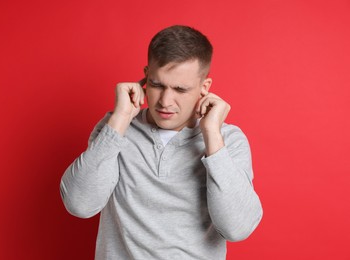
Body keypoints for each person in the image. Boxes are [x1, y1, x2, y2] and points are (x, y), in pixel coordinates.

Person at [60, 25, 263, 259]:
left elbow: (237, 228)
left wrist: (212, 135)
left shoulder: (228, 140)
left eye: (180, 89)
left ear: (204, 88)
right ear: (146, 76)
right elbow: (80, 205)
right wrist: (120, 119)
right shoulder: (116, 127)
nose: (166, 101)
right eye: (157, 85)